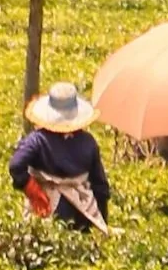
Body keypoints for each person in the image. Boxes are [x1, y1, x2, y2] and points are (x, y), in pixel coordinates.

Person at [10, 81, 112, 234]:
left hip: (47, 207)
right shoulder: (88, 142)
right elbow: (100, 187)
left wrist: (31, 187)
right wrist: (101, 220)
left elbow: (16, 165)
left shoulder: (37, 140)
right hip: (82, 210)